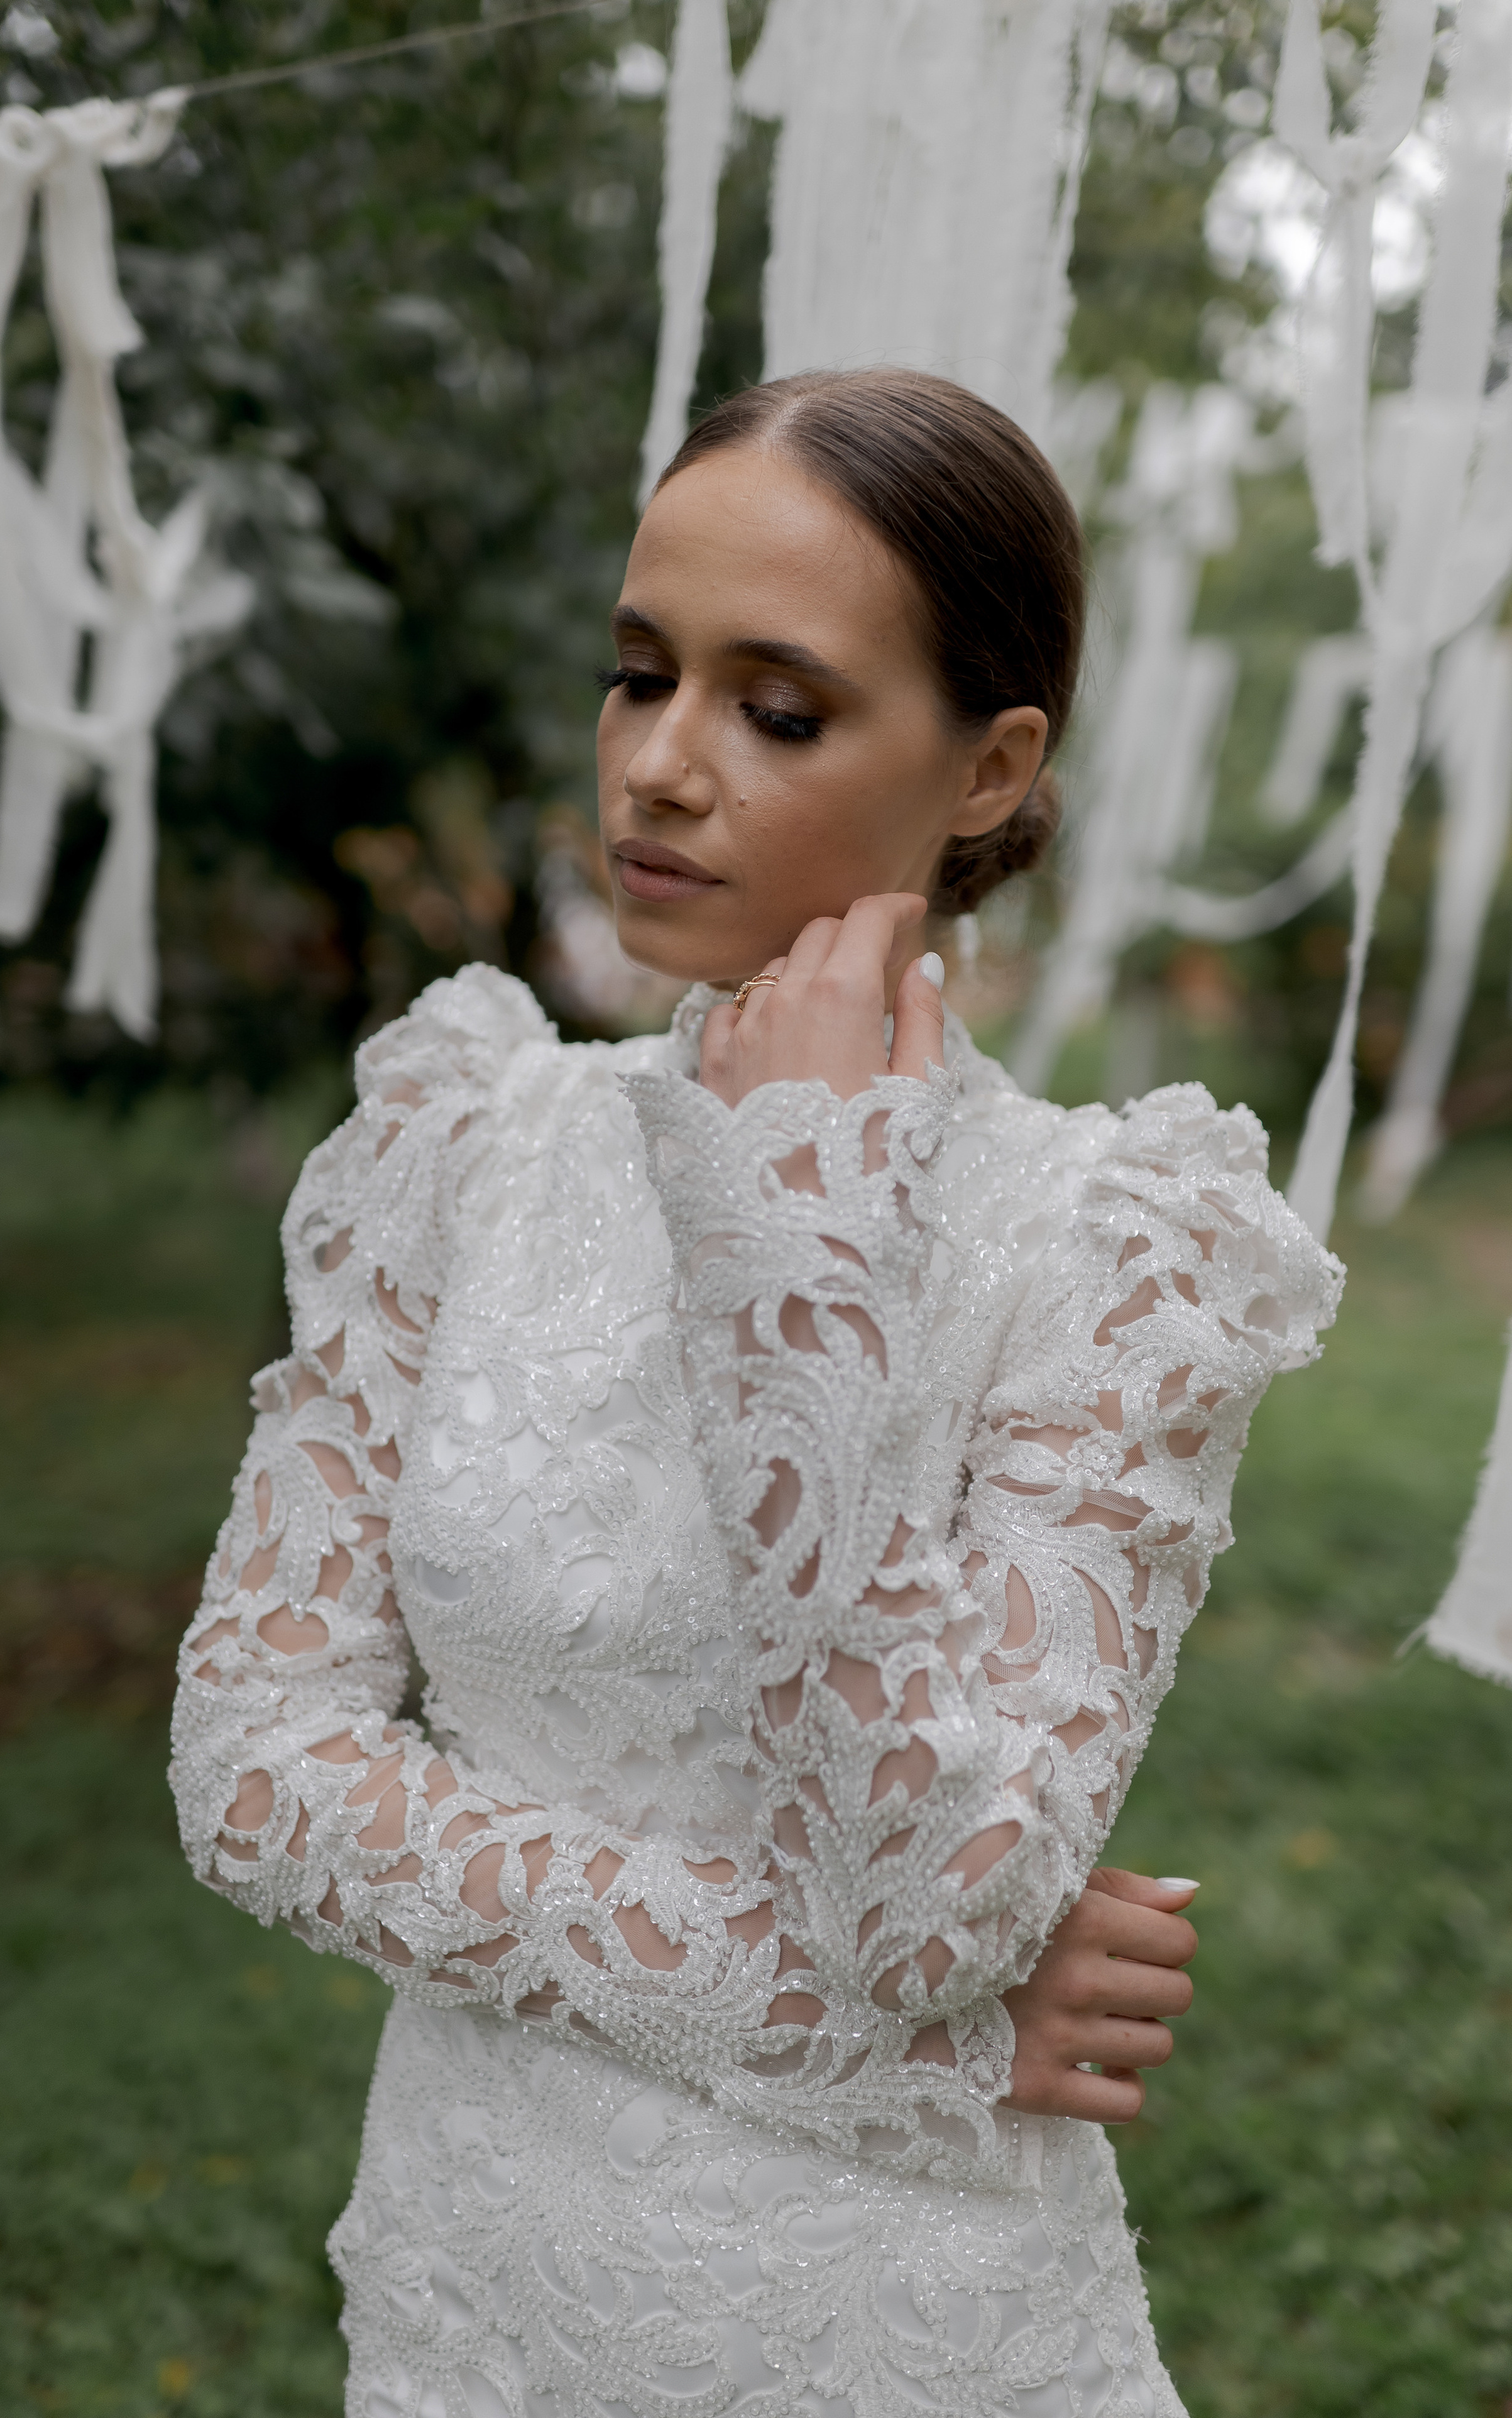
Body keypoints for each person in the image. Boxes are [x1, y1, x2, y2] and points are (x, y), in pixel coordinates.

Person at [172, 368, 1342, 2417]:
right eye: (641, 678)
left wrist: (787, 1238)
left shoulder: (1124, 1246)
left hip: (898, 2330)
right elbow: (254, 1770)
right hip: (472, 2302)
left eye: (777, 709)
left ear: (988, 769)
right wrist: (920, 2030)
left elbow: (930, 1900)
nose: (663, 769)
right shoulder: (458, 1139)